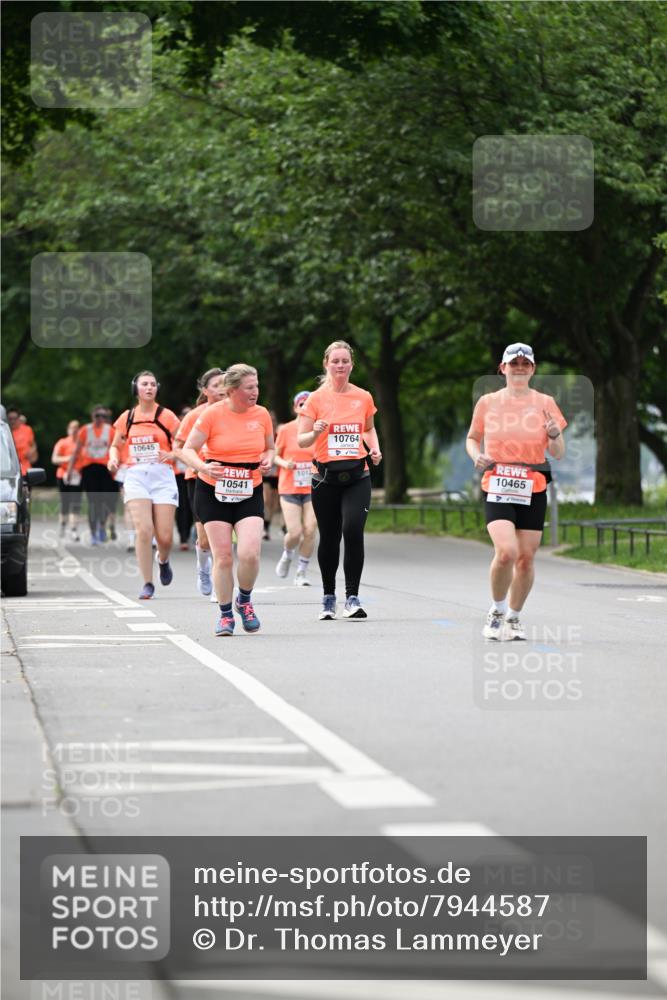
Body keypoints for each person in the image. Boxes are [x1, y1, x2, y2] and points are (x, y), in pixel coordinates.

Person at [466, 343, 567, 641]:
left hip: (533, 484)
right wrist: (476, 456)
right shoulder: (487, 402)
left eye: (526, 363)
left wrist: (553, 434)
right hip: (498, 482)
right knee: (507, 551)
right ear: (503, 368)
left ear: (533, 369)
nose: (520, 367)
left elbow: (559, 452)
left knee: (525, 558)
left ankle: (514, 616)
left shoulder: (546, 402)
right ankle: (496, 611)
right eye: (514, 363)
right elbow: (472, 438)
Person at [181, 364, 274, 636]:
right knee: (222, 557)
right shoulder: (211, 415)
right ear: (232, 391)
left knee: (249, 553)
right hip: (213, 491)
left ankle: (243, 601)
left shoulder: (262, 414)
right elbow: (187, 449)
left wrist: (268, 458)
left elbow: (270, 446)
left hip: (249, 489)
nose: (255, 392)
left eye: (256, 386)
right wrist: (203, 467)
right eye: (249, 388)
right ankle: (224, 616)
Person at [297, 340, 382, 621]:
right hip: (325, 478)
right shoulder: (316, 400)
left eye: (345, 361)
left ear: (352, 365)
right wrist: (317, 432)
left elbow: (369, 430)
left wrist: (375, 448)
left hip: (358, 475)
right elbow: (302, 439)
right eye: (335, 361)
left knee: (353, 529)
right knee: (330, 537)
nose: (341, 366)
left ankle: (353, 597)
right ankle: (328, 597)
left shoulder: (363, 397)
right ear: (326, 364)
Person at [107, 371, 180, 600]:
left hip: (162, 475)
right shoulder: (127, 417)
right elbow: (115, 445)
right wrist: (113, 458)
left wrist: (170, 454)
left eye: (152, 384)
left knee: (165, 537)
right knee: (144, 530)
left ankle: (163, 559)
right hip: (136, 475)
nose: (149, 388)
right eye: (144, 384)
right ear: (135, 389)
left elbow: (182, 446)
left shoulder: (167, 416)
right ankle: (147, 583)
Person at [172, 368, 226, 597]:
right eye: (216, 385)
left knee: (224, 533)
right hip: (199, 479)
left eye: (225, 383)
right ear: (205, 391)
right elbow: (177, 446)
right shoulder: (195, 415)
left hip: (229, 479)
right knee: (204, 538)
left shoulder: (238, 411)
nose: (222, 389)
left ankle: (220, 581)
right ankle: (203, 568)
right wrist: (196, 463)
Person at [274, 390, 317, 586]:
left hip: (312, 487)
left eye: (308, 404)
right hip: (289, 486)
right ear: (295, 407)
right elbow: (273, 455)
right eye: (301, 404)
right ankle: (287, 554)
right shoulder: (285, 430)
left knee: (310, 529)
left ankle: (301, 572)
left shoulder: (319, 429)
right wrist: (284, 464)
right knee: (295, 532)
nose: (305, 407)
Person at [66, 406, 115, 544]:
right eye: (97, 415)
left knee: (105, 501)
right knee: (93, 501)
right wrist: (70, 470)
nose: (100, 419)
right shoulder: (85, 430)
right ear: (92, 416)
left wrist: (116, 467)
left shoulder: (110, 431)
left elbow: (116, 449)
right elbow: (76, 451)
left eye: (102, 416)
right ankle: (94, 533)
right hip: (89, 468)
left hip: (105, 469)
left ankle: (102, 526)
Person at [51, 419, 82, 540]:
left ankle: (74, 529)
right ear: (68, 430)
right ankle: (62, 525)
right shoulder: (62, 442)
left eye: (76, 429)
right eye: (72, 429)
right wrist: (68, 458)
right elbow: (54, 459)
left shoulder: (81, 444)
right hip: (63, 475)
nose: (74, 431)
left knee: (76, 503)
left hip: (77, 476)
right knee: (65, 502)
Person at [262, 410, 281, 540]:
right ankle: (264, 528)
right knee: (267, 499)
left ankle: (267, 525)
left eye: (273, 419)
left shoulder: (279, 433)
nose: (272, 421)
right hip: (267, 471)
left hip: (278, 471)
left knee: (274, 503)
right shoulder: (262, 433)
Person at [6, 407, 37, 475]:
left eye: (15, 418)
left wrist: (33, 454)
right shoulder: (4, 432)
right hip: (8, 469)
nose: (13, 421)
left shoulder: (27, 429)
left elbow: (33, 444)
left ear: (19, 418)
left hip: (25, 468)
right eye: (10, 419)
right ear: (7, 419)